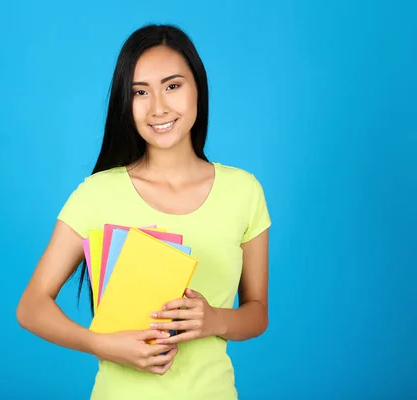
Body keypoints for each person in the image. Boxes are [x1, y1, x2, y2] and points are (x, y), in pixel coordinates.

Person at [16, 23, 271, 399]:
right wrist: (99, 343)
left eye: (173, 86)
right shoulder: (97, 194)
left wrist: (214, 318)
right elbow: (31, 306)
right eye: (140, 92)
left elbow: (257, 312)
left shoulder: (244, 191)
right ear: (126, 101)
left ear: (198, 87)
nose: (158, 107)